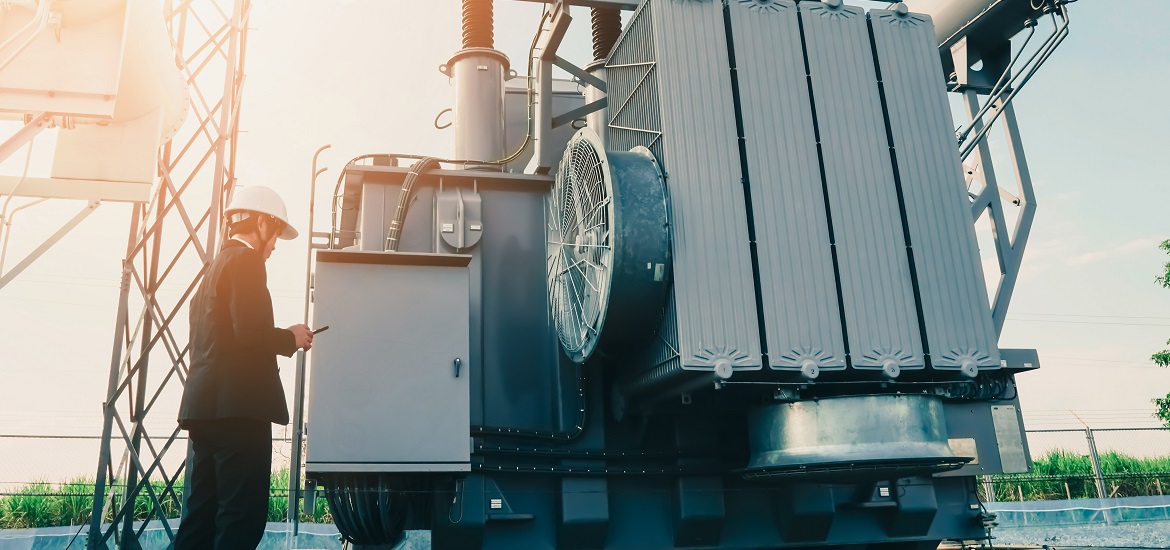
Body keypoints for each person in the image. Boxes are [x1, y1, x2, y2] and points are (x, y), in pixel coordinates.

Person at [173, 185, 314, 549]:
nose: (275, 244)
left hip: (203, 412)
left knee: (200, 517)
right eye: (276, 233)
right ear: (262, 223)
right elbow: (249, 332)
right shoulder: (246, 262)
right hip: (240, 412)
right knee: (241, 517)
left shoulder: (211, 270)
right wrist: (291, 337)